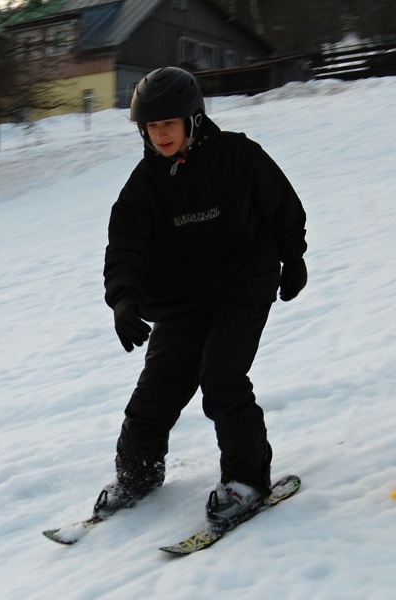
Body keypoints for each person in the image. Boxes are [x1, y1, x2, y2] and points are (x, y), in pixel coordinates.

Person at [96, 67, 307, 524]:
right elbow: (125, 246)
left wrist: (294, 259)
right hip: (182, 301)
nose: (160, 135)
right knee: (156, 392)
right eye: (151, 126)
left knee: (222, 380)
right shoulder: (144, 185)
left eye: (169, 123)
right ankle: (137, 476)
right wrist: (123, 298)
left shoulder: (239, 156)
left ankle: (246, 479)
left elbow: (283, 207)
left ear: (193, 119)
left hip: (242, 284)